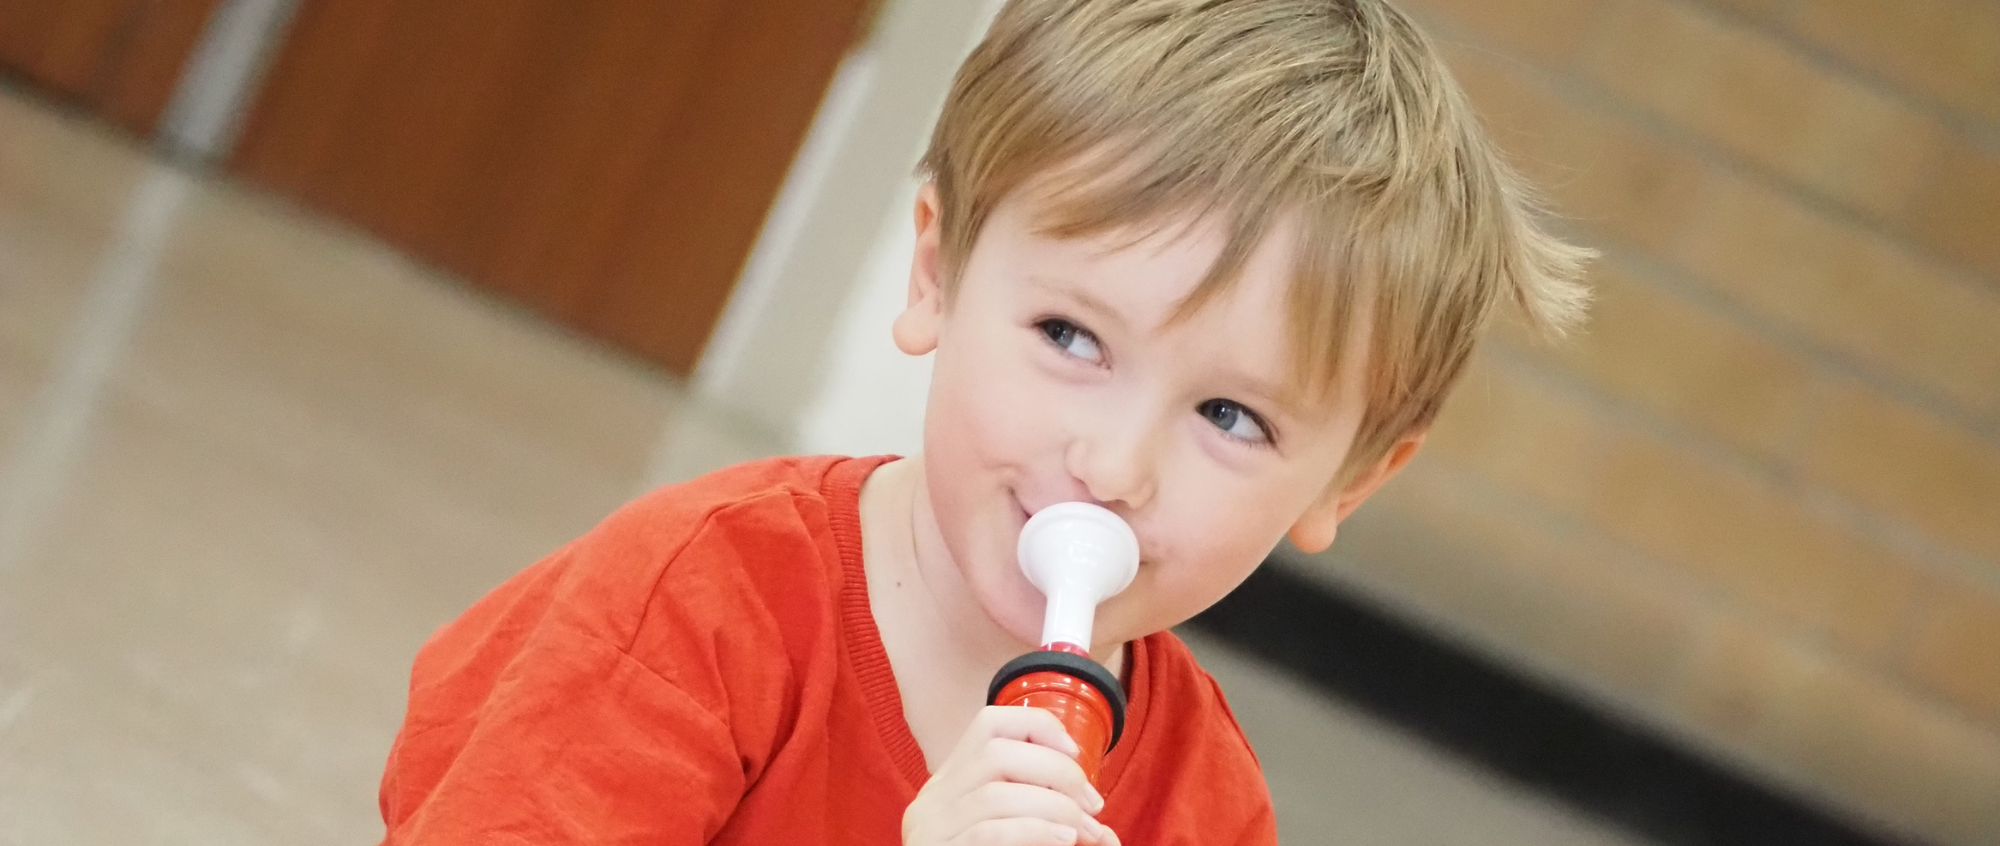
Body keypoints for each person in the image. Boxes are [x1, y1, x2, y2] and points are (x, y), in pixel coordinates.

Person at [374, 0, 1592, 843]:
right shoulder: (697, 603)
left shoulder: (1203, 810)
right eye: (1071, 338)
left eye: (1229, 415)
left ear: (1347, 483)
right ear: (935, 273)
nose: (1111, 467)